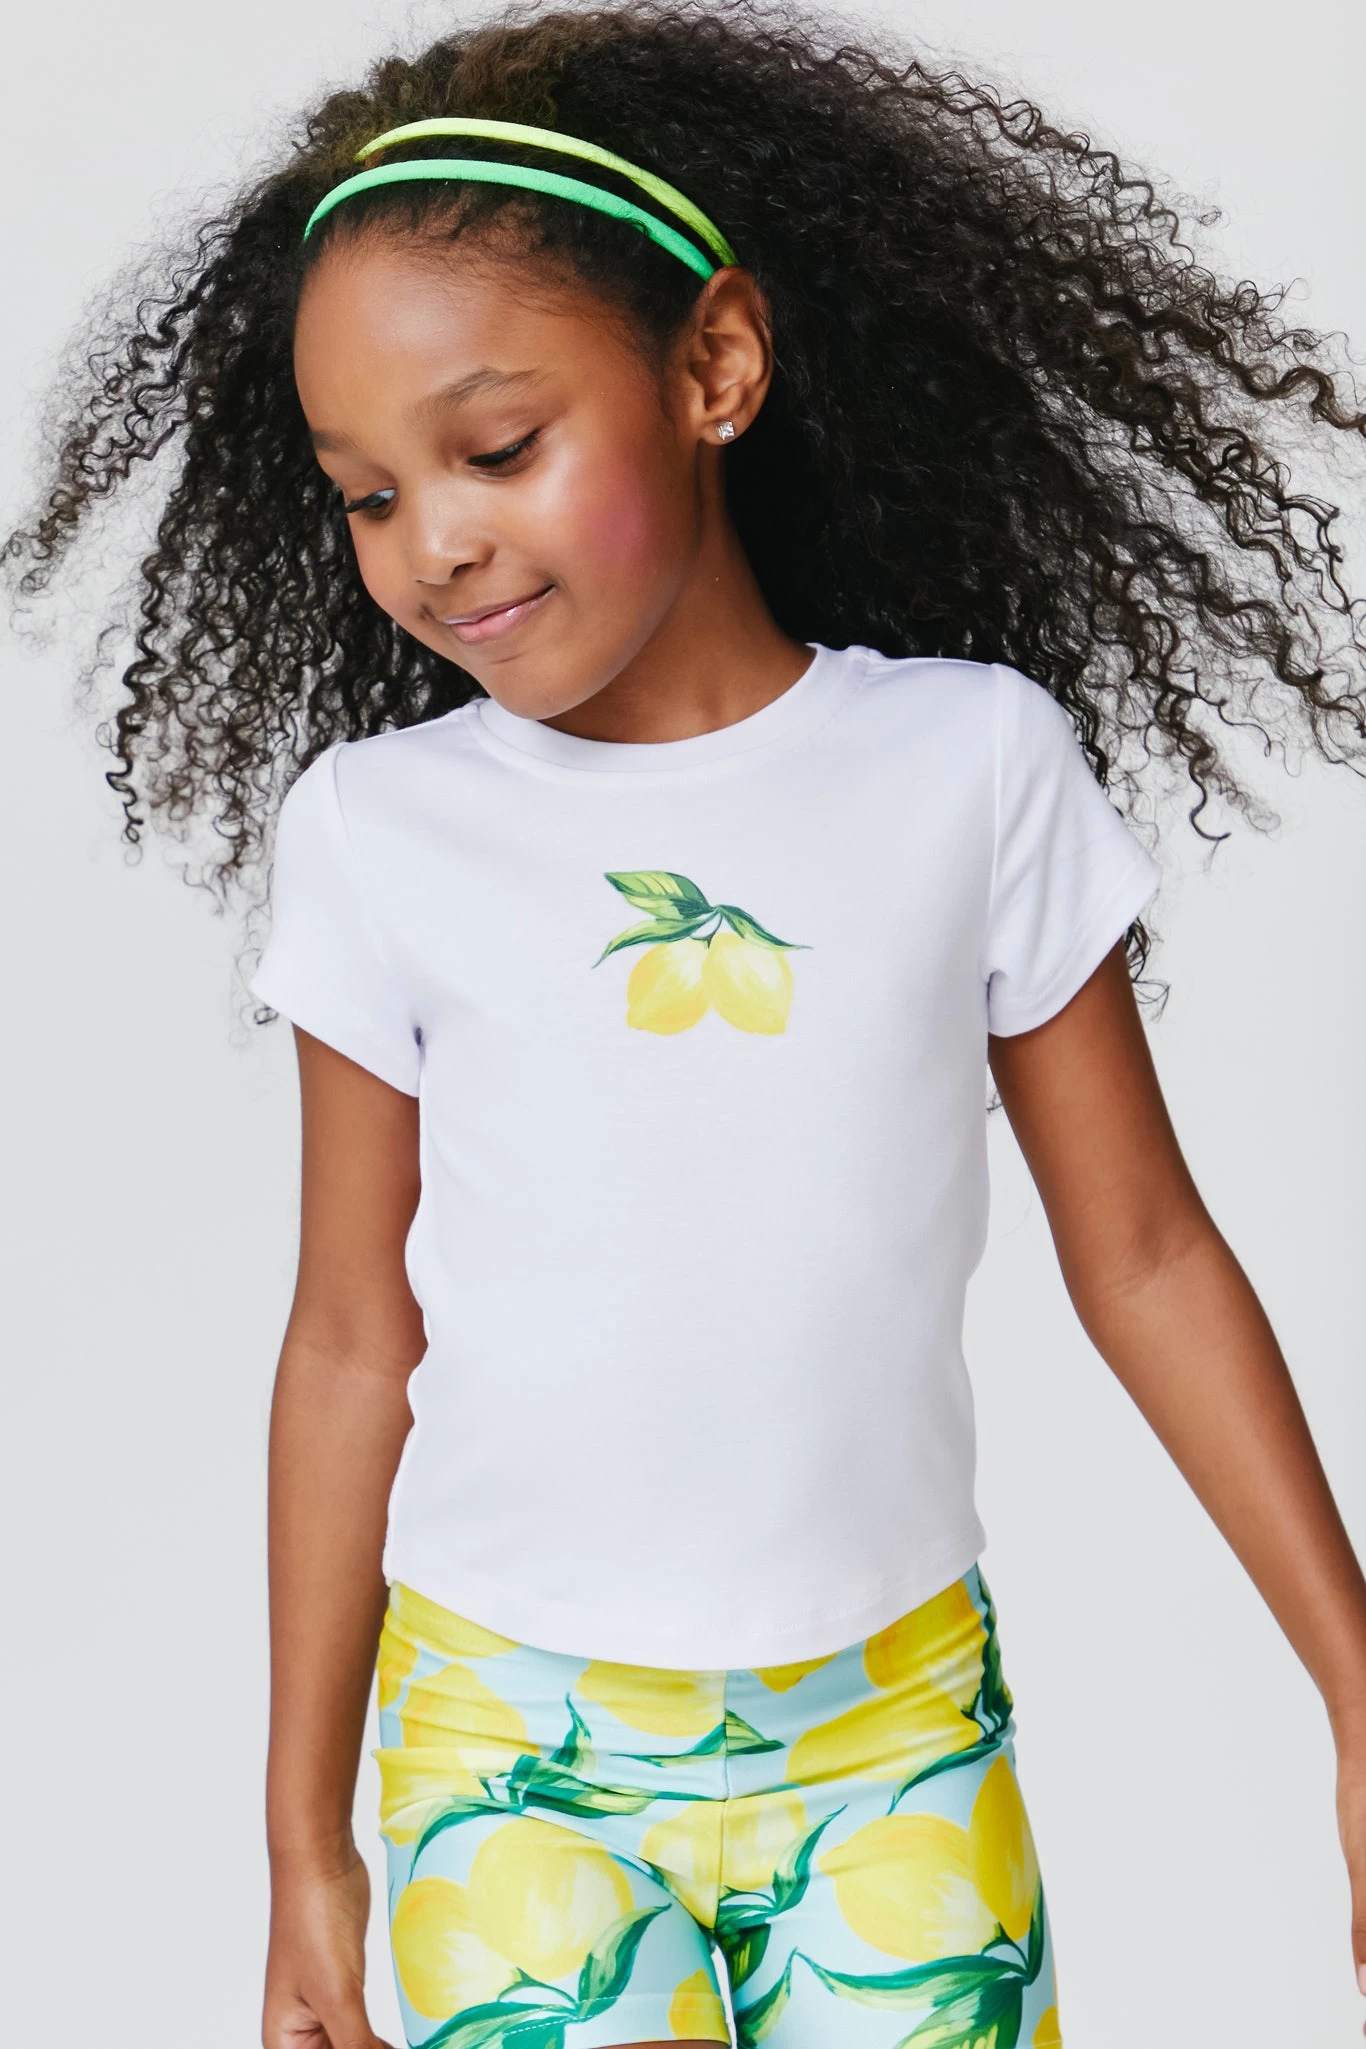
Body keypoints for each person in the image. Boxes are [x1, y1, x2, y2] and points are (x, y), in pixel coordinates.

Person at [10, 3, 1366, 2045]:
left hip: (894, 1735)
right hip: (505, 1753)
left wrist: (1351, 1689)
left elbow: (1147, 1258)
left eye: (494, 449)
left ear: (712, 367)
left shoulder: (969, 768)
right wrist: (305, 1840)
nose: (433, 540)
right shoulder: (379, 833)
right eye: (365, 494)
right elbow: (353, 1336)